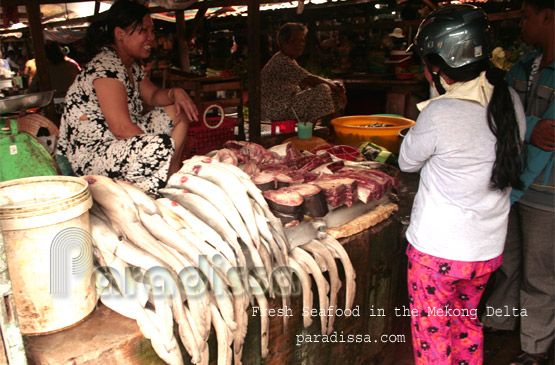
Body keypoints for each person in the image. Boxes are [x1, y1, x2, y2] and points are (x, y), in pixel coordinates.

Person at [398, 5, 526, 364]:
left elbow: (407, 161)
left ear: (439, 66)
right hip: (484, 252)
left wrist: (430, 111)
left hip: (436, 254)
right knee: (466, 326)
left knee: (433, 338)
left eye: (426, 63)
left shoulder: (441, 112)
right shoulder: (509, 100)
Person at [56, 0, 198, 193]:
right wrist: (155, 147)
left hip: (117, 145)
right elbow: (122, 129)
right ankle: (155, 192)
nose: (151, 37)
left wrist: (175, 93)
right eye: (143, 31)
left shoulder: (129, 65)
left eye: (152, 31)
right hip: (94, 156)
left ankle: (170, 179)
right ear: (120, 34)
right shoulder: (106, 68)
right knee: (160, 146)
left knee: (177, 111)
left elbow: (154, 95)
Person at [481, 0, 554, 364]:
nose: (522, 24)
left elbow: (546, 133)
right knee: (508, 258)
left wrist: (525, 127)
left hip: (547, 191)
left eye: (526, 16)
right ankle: (501, 319)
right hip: (514, 181)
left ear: (548, 15)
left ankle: (535, 346)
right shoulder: (525, 66)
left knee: (540, 272)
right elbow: (501, 113)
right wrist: (530, 128)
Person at [260, 22, 346, 125]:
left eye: (302, 40)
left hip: (287, 106)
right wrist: (337, 88)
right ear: (283, 43)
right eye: (294, 41)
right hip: (277, 111)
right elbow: (310, 79)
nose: (300, 44)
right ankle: (307, 132)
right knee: (323, 89)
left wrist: (335, 86)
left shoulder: (289, 60)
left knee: (331, 88)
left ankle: (333, 129)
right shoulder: (281, 61)